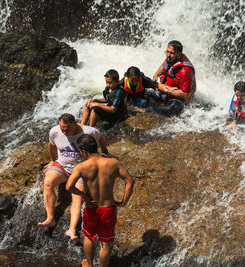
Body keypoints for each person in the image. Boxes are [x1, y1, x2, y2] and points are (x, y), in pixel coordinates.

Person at [38, 113, 109, 243]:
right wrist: (53, 161)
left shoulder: (89, 131)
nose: (64, 132)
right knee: (48, 182)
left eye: (67, 129)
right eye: (62, 129)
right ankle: (50, 218)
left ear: (75, 124)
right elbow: (51, 145)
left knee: (77, 195)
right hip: (63, 165)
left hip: (81, 169)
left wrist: (105, 151)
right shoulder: (54, 131)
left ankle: (72, 229)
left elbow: (101, 137)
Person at [65, 134, 134, 267]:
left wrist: (85, 197)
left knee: (89, 237)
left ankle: (89, 265)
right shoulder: (113, 163)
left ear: (84, 151)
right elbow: (130, 181)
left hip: (91, 207)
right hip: (108, 208)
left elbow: (69, 186)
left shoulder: (81, 167)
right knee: (105, 243)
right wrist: (123, 202)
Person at [149, 40, 197, 116]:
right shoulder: (171, 58)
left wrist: (165, 89)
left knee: (170, 109)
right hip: (166, 92)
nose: (168, 55)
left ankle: (147, 111)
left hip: (179, 99)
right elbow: (163, 66)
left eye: (171, 53)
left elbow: (185, 94)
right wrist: (156, 75)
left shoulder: (185, 70)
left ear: (179, 54)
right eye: (167, 51)